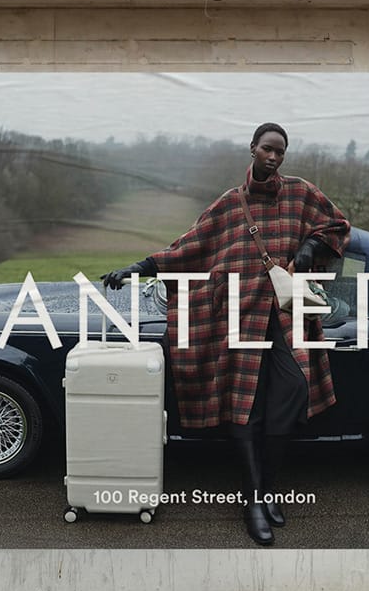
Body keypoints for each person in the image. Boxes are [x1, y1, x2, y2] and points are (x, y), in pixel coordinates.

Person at [101, 123, 350, 546]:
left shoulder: (302, 193)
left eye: (281, 152)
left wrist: (307, 251)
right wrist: (138, 268)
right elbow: (188, 248)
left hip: (287, 318)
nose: (274, 157)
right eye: (268, 149)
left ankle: (268, 488)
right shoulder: (230, 205)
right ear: (253, 149)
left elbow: (337, 226)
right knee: (245, 408)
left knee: (290, 395)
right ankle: (255, 501)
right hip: (237, 318)